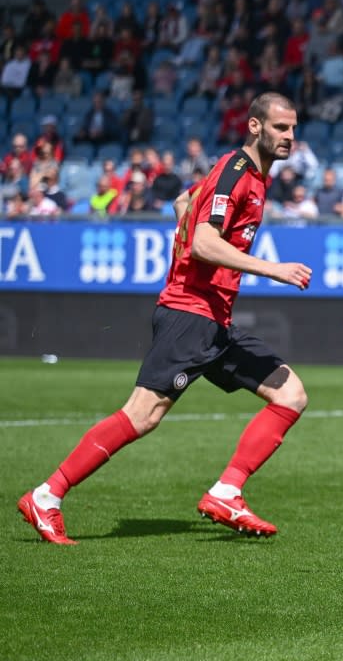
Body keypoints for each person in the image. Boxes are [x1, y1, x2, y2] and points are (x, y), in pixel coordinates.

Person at [17, 92, 313, 545]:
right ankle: (47, 494)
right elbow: (203, 244)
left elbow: (183, 202)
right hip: (189, 314)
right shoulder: (237, 174)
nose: (290, 136)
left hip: (213, 319)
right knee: (142, 415)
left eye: (293, 128)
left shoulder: (248, 176)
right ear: (255, 127)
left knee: (290, 394)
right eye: (280, 128)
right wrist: (274, 269)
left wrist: (187, 226)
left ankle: (227, 490)